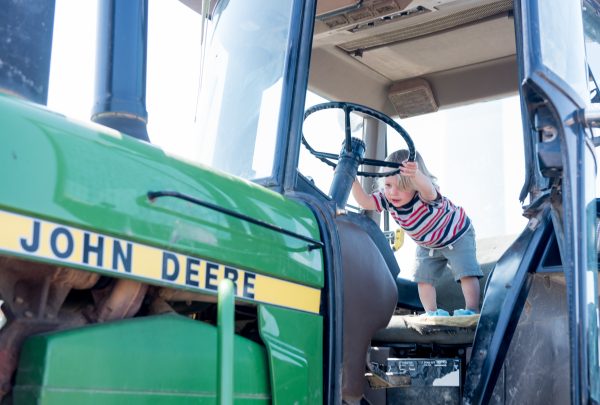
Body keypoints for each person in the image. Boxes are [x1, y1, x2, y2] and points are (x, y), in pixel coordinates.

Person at [351, 149, 482, 316]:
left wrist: (416, 175)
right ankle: (432, 314)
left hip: (456, 235)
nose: (392, 192)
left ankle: (472, 309)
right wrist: (352, 180)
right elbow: (365, 201)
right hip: (427, 243)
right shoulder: (388, 200)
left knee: (466, 272)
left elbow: (429, 189)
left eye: (401, 186)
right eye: (388, 185)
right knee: (423, 279)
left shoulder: (424, 195)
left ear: (414, 185)